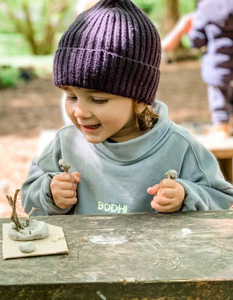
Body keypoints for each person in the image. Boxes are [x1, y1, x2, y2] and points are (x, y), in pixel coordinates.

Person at [21, 0, 233, 216]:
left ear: (140, 101)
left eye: (98, 100)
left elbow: (221, 197)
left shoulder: (180, 147)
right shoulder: (65, 143)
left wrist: (186, 195)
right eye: (71, 96)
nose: (80, 111)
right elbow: (29, 196)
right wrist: (49, 191)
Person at [162, 0, 233, 138]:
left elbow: (197, 40)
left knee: (219, 98)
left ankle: (221, 127)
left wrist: (191, 33)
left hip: (217, 65)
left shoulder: (205, 7)